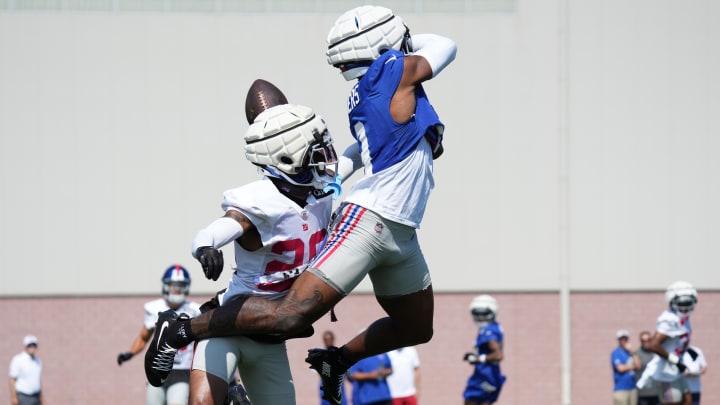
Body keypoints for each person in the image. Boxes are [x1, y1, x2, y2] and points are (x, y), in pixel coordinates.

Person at [143, 6, 457, 405]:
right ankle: (182, 330)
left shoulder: (377, 92)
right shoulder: (386, 69)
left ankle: (336, 361)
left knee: (416, 327)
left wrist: (426, 139)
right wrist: (206, 244)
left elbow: (359, 155)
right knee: (291, 314)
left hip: (400, 227)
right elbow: (445, 46)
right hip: (372, 219)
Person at [182, 103, 339, 405]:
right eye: (314, 153)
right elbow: (223, 226)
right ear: (286, 158)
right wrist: (205, 246)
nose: (325, 159)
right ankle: (176, 333)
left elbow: (349, 159)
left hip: (270, 337)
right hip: (229, 323)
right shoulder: (261, 201)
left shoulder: (321, 191)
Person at [118, 265, 201, 405]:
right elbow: (143, 337)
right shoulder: (154, 308)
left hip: (182, 371)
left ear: (186, 286)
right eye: (173, 285)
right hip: (156, 368)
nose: (177, 289)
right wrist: (130, 353)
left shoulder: (196, 310)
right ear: (165, 285)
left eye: (180, 285)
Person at [636, 281, 698, 405]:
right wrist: (676, 361)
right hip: (666, 372)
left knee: (688, 401)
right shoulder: (669, 319)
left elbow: (676, 339)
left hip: (676, 371)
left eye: (688, 302)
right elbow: (654, 344)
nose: (685, 306)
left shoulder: (683, 318)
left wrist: (688, 349)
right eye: (682, 303)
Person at [462, 295, 506, 405]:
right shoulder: (495, 326)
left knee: (469, 401)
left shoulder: (487, 331)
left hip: (485, 376)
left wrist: (478, 358)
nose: (481, 318)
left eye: (484, 314)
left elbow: (498, 355)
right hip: (491, 375)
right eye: (478, 314)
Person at [8, 335, 43, 405]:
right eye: (30, 346)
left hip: (36, 395)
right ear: (25, 347)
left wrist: (41, 398)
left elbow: (37, 380)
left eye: (34, 346)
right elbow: (12, 379)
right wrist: (13, 397)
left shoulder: (38, 361)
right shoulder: (18, 360)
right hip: (24, 396)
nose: (32, 348)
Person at [611, 329, 641, 405]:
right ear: (618, 340)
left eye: (625, 338)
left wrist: (633, 351)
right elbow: (620, 369)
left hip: (632, 387)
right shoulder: (616, 352)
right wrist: (633, 366)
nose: (623, 340)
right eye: (621, 338)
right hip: (621, 389)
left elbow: (639, 365)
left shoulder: (631, 352)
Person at [319, 331, 348, 405]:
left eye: (330, 339)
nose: (328, 341)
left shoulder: (339, 354)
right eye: (326, 340)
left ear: (333, 339)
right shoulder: (321, 355)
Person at [636, 331, 660, 405]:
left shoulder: (658, 352)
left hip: (657, 392)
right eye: (643, 341)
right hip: (642, 393)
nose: (646, 342)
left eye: (648, 340)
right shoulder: (637, 353)